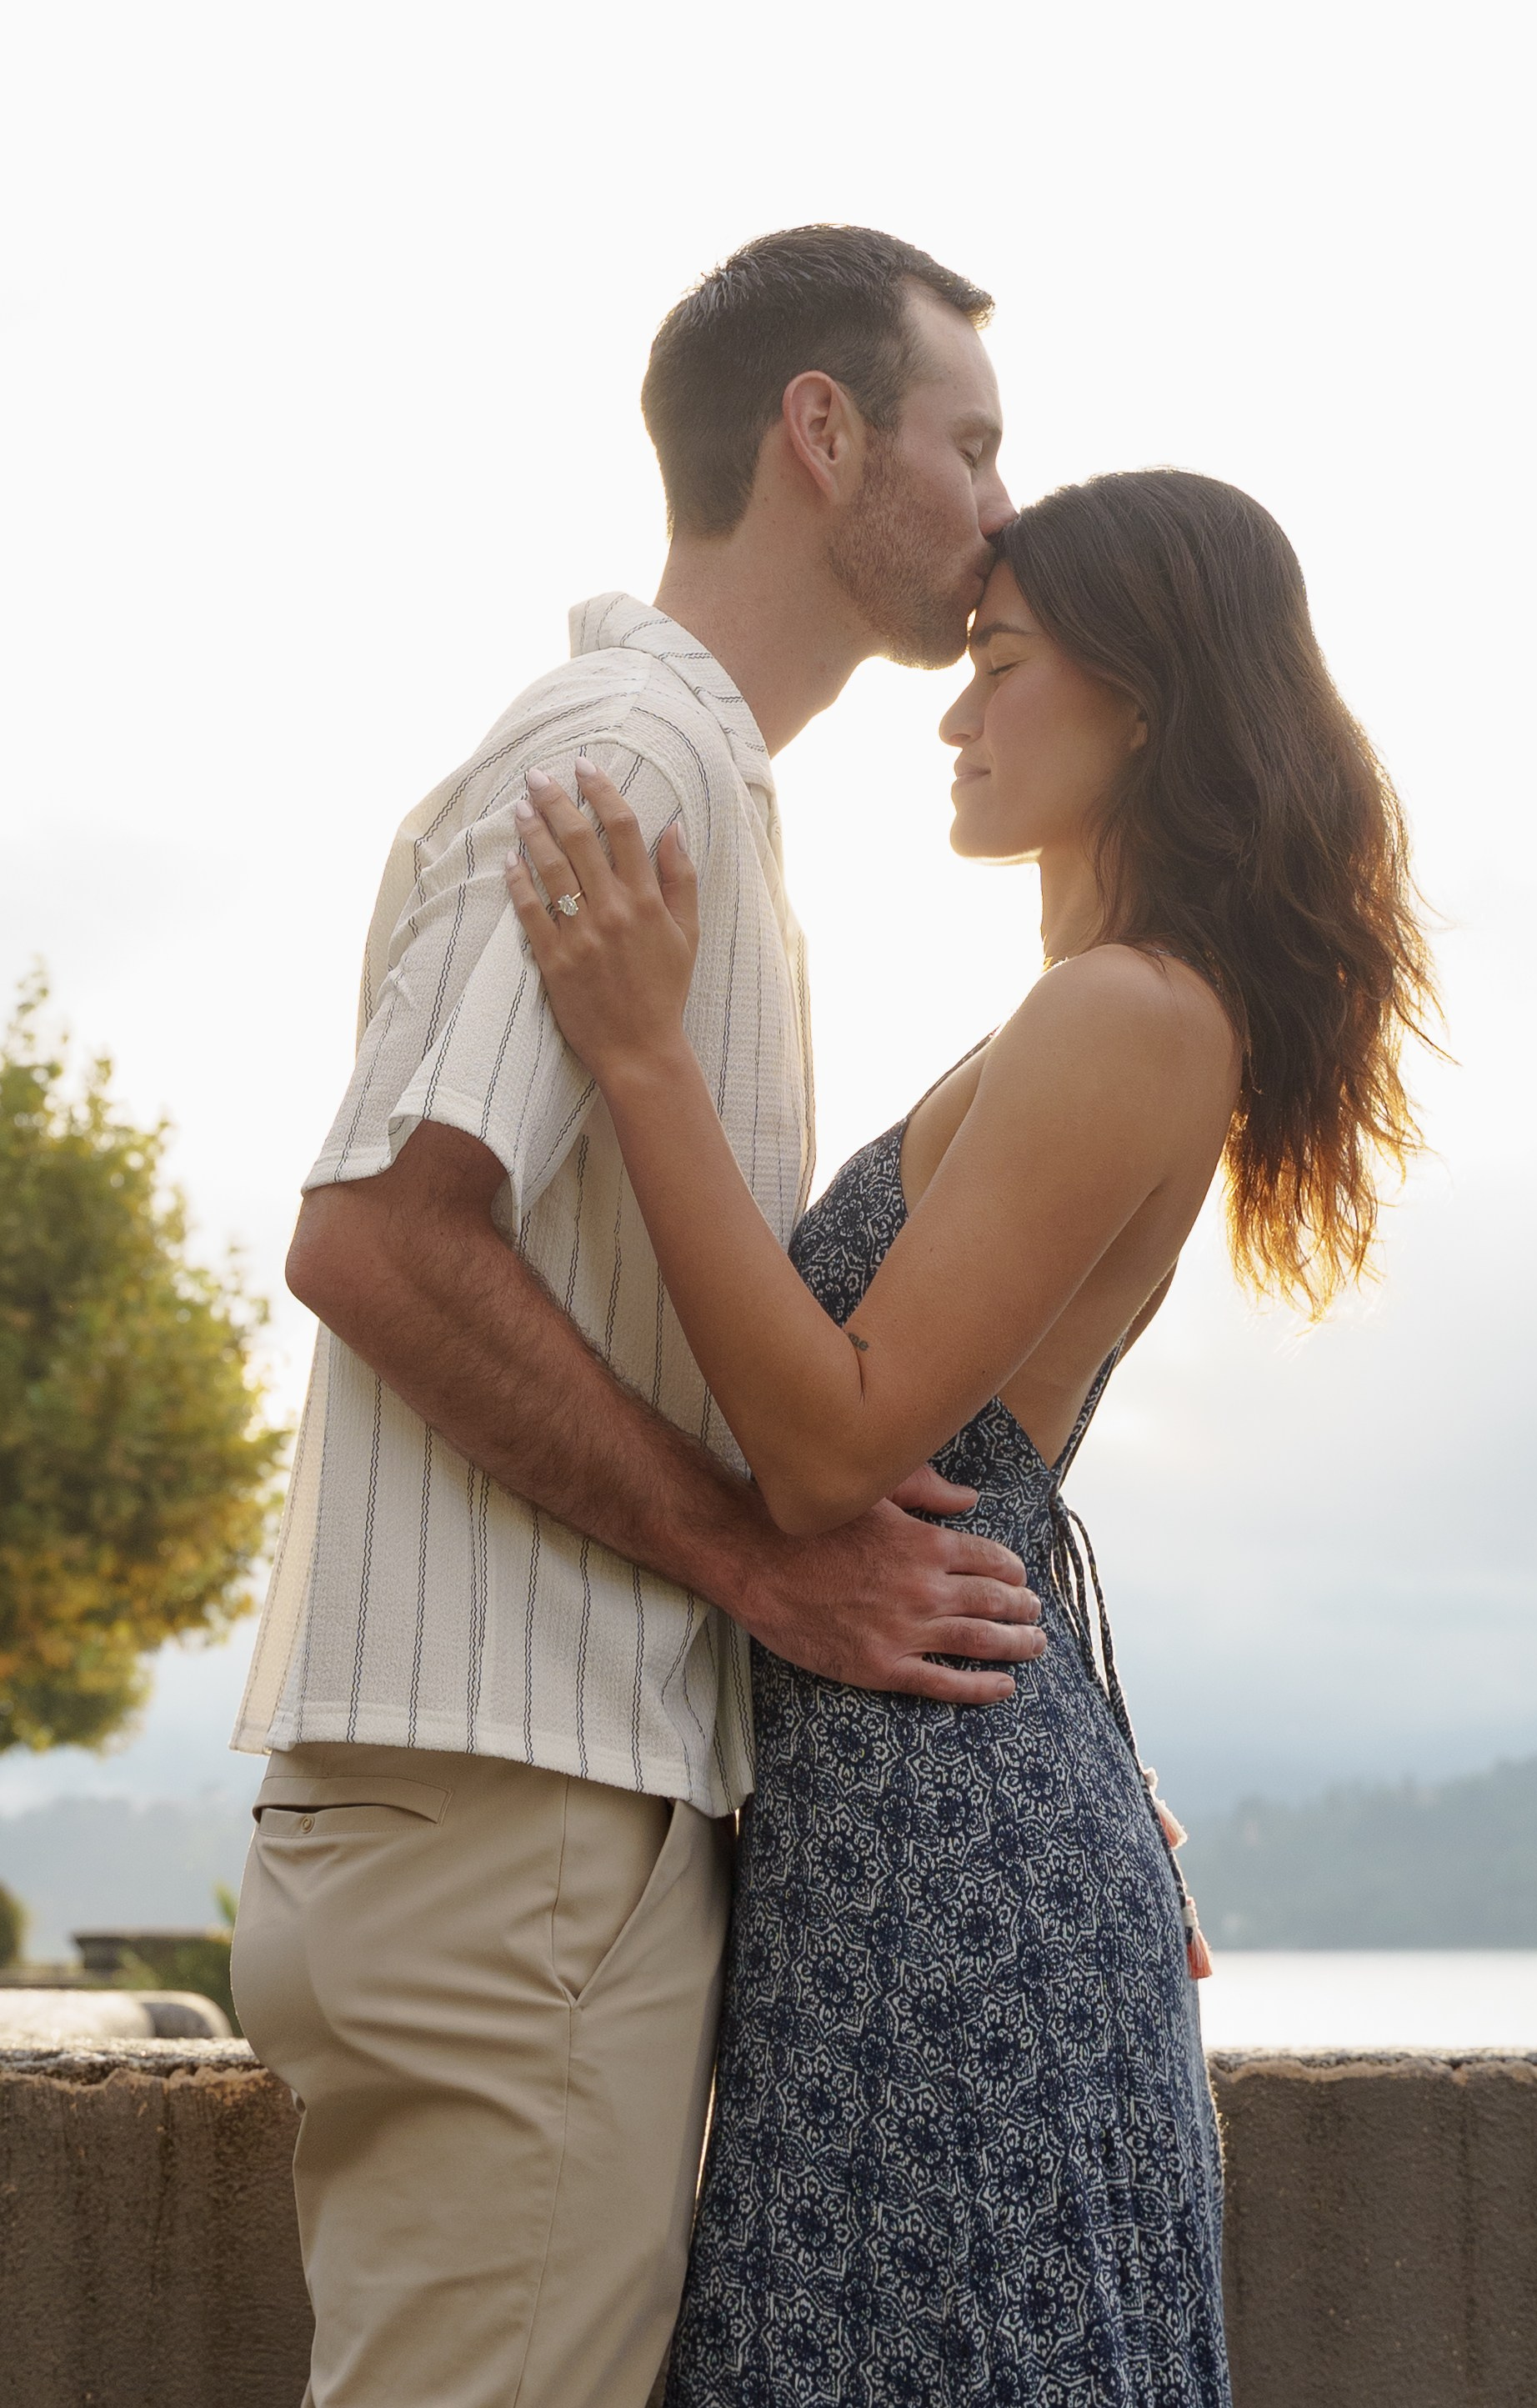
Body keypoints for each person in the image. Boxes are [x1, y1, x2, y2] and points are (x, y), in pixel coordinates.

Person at [503, 466, 1440, 2405]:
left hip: (944, 1873)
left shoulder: (1131, 1011)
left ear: (1146, 701)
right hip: (910, 1832)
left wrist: (643, 1052)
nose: (953, 710)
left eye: (1001, 665)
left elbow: (834, 1449)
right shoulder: (1084, 1011)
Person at [228, 226, 1048, 2408]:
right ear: (818, 434)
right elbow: (378, 1239)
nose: (999, 510)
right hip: (515, 1841)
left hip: (508, 1842)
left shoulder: (693, 791)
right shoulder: (627, 760)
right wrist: (750, 1556)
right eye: (969, 444)